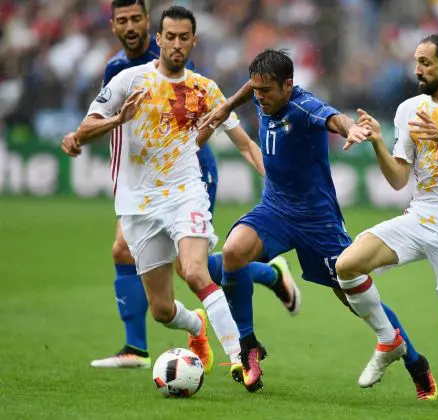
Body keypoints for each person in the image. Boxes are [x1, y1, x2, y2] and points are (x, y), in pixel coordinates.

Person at [61, 0, 299, 373]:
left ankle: (240, 358)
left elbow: (244, 143)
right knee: (162, 308)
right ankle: (202, 320)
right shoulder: (128, 79)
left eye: (182, 38)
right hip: (138, 202)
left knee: (194, 271)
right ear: (160, 38)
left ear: (193, 42)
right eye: (169, 36)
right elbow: (85, 128)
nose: (175, 43)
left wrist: (275, 180)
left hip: (188, 189)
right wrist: (118, 120)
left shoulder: (203, 89)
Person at [200, 49, 435, 398]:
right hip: (275, 208)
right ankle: (248, 346)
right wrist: (228, 105)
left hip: (317, 222)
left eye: (266, 91)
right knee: (233, 252)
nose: (259, 97)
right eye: (256, 90)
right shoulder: (262, 95)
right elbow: (250, 88)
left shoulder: (303, 105)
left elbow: (334, 118)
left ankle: (416, 362)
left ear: (288, 86)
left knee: (355, 298)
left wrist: (352, 129)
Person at [336, 33, 438, 410]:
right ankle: (388, 339)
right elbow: (397, 179)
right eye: (417, 62)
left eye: (425, 62)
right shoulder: (409, 109)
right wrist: (378, 142)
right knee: (347, 265)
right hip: (421, 216)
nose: (417, 70)